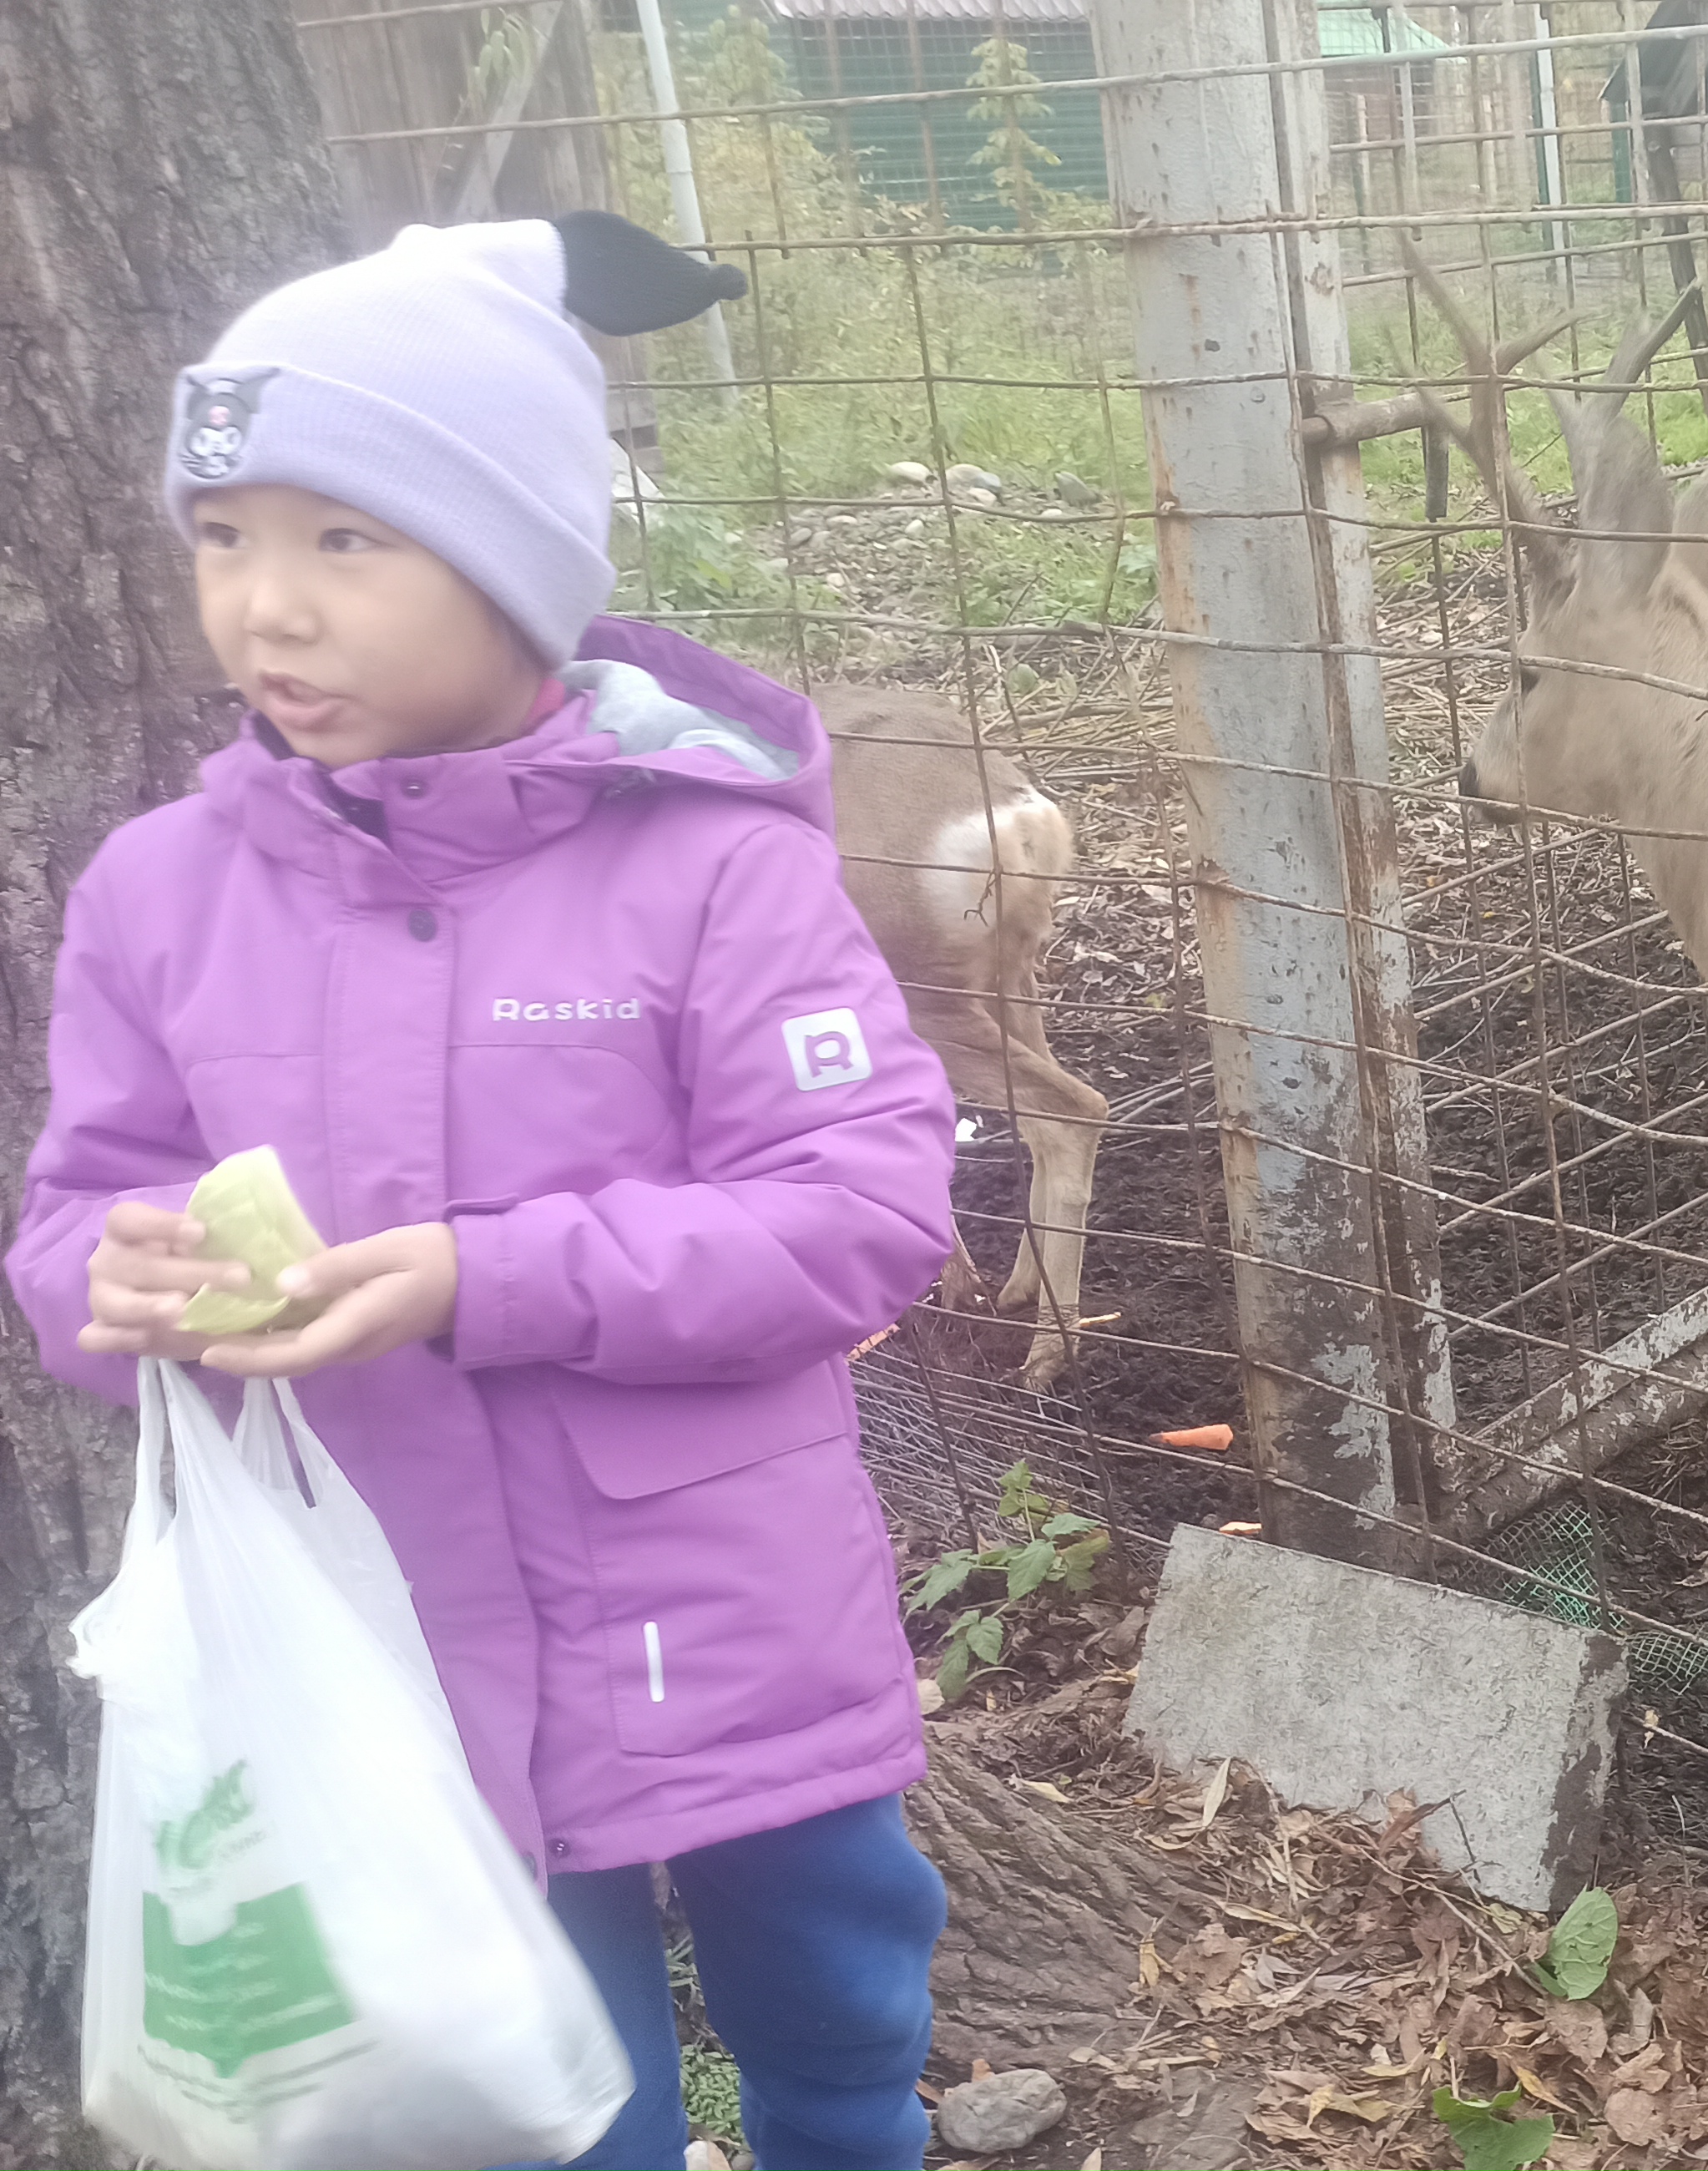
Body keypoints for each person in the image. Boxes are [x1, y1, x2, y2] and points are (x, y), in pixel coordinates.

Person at [7, 212, 962, 2171]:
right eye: (226, 537)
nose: (267, 609)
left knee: (837, 1994)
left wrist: (478, 1273)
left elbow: (864, 1204)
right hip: (400, 1643)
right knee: (552, 2093)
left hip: (725, 1616)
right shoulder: (157, 901)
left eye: (344, 540)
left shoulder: (708, 867)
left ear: (517, 562)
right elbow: (79, 1201)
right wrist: (110, 1281)